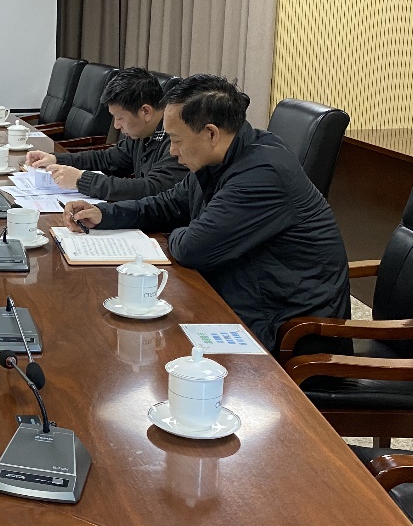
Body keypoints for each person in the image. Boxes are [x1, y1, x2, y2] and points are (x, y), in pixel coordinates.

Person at [62, 74, 349, 352]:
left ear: (211, 133)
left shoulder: (263, 174)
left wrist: (178, 231)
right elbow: (169, 204)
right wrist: (105, 214)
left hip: (285, 329)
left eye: (176, 140)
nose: (172, 151)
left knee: (142, 349)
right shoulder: (221, 157)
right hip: (240, 294)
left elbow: (191, 249)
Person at [26, 67, 188, 200]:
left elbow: (153, 189)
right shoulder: (141, 133)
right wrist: (56, 159)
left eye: (120, 118)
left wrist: (81, 180)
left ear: (145, 112)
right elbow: (107, 160)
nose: (116, 125)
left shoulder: (176, 140)